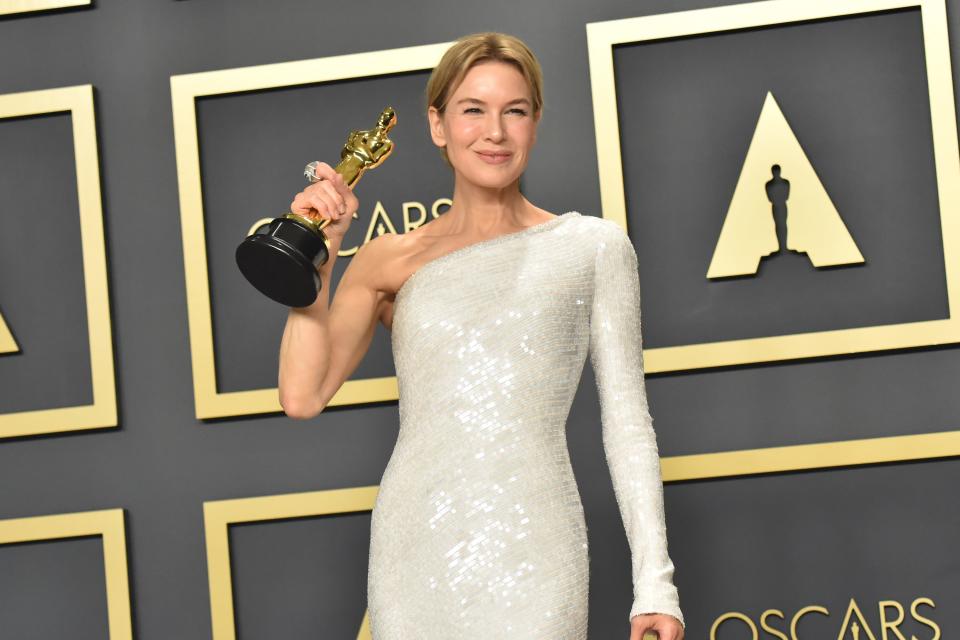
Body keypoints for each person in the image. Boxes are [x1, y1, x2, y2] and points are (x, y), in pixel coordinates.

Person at [278, 32, 685, 640]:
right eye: (473, 110)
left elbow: (627, 421)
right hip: (415, 547)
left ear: (535, 122)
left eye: (513, 111)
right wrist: (321, 259)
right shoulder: (388, 260)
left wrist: (656, 584)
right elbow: (302, 397)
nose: (494, 131)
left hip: (538, 545)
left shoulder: (592, 248)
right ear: (438, 125)